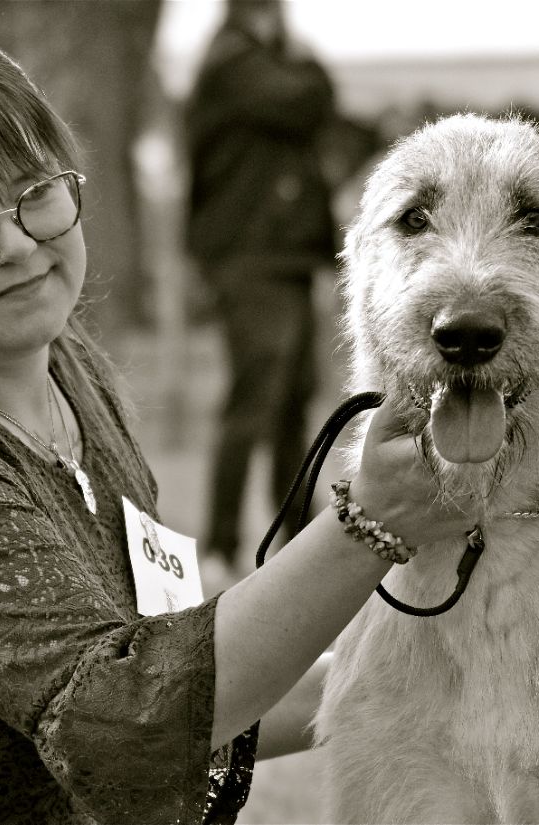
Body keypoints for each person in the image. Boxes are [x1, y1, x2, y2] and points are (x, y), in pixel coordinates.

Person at [0, 17, 475, 824]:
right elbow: (124, 721)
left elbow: (180, 693)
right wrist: (370, 521)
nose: (15, 243)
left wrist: (438, 683)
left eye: (34, 193)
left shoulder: (70, 382)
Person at [184, 0, 338, 575]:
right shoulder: (235, 61)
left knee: (293, 399)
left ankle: (296, 532)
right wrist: (309, 62)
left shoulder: (253, 60)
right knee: (255, 400)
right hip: (252, 256)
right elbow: (308, 101)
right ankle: (221, 545)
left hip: (281, 255)